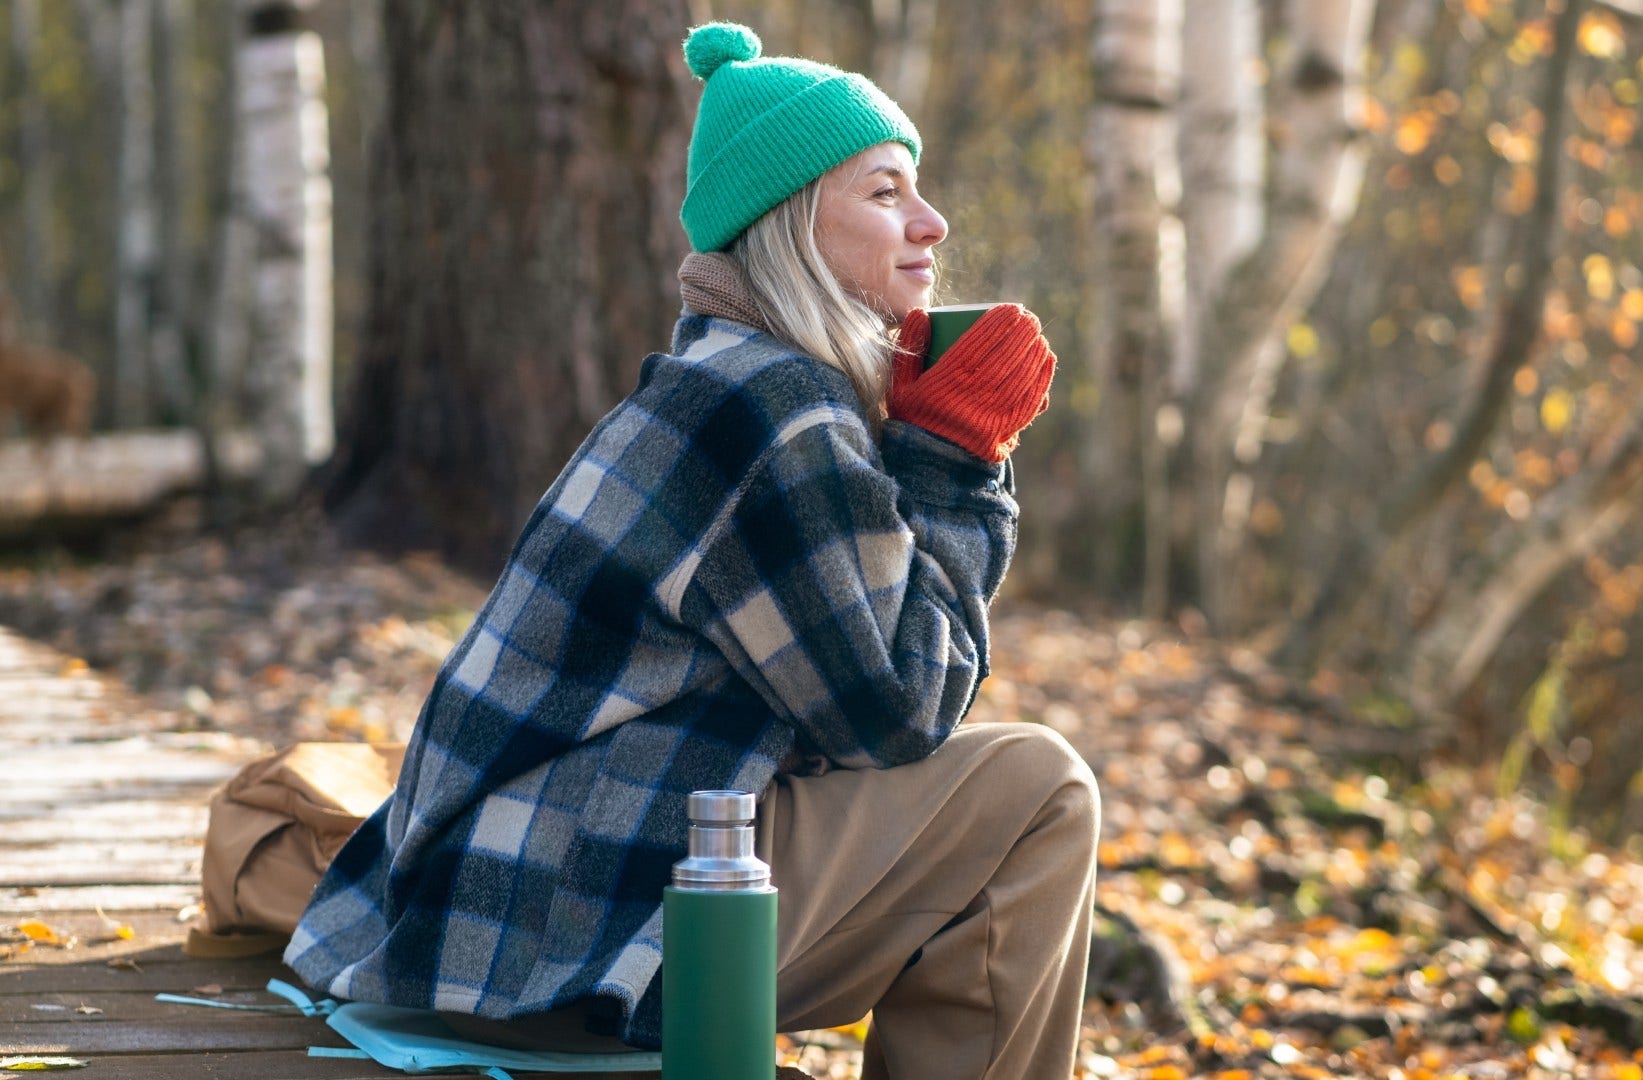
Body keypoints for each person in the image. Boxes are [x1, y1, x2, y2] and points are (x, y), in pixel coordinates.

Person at [284, 21, 1100, 1080]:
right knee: (1041, 787)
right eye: (885, 191)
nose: (931, 223)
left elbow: (833, 705)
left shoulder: (723, 381)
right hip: (571, 948)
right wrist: (952, 458)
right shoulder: (775, 414)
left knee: (1004, 792)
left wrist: (906, 448)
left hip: (496, 925)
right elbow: (898, 710)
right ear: (793, 223)